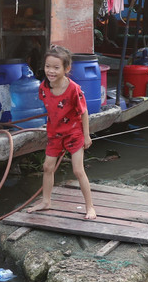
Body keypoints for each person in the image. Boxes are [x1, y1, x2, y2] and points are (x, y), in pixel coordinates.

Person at [27, 45, 97, 220]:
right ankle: (46, 201)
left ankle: (90, 207)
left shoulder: (74, 89)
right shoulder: (44, 87)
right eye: (48, 66)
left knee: (78, 170)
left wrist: (86, 135)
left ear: (66, 69)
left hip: (74, 133)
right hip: (55, 133)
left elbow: (84, 112)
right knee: (47, 167)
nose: (51, 71)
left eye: (56, 67)